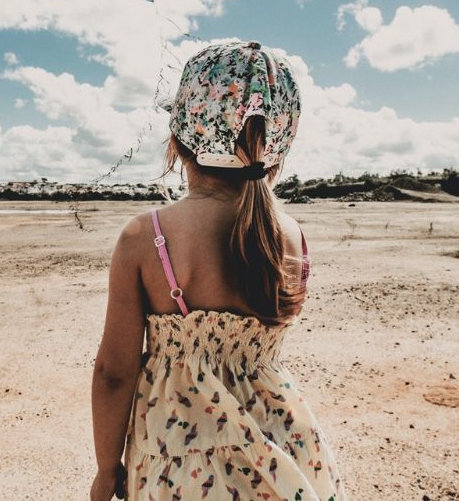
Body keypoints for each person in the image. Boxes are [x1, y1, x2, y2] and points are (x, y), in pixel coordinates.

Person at [90, 41, 348, 500]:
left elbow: (114, 372)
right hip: (282, 445)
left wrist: (107, 469)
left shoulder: (145, 238)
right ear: (280, 141)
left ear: (179, 138)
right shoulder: (290, 237)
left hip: (179, 456)